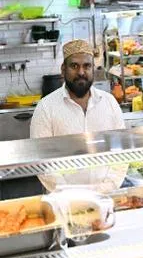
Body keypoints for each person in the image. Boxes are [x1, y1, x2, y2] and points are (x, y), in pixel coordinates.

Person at [29, 38, 127, 191]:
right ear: (63, 69)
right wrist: (70, 193)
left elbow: (122, 151)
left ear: (93, 68)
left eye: (87, 66)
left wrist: (107, 187)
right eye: (74, 66)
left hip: (106, 195)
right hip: (64, 200)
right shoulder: (46, 107)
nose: (81, 72)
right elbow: (41, 160)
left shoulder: (109, 103)